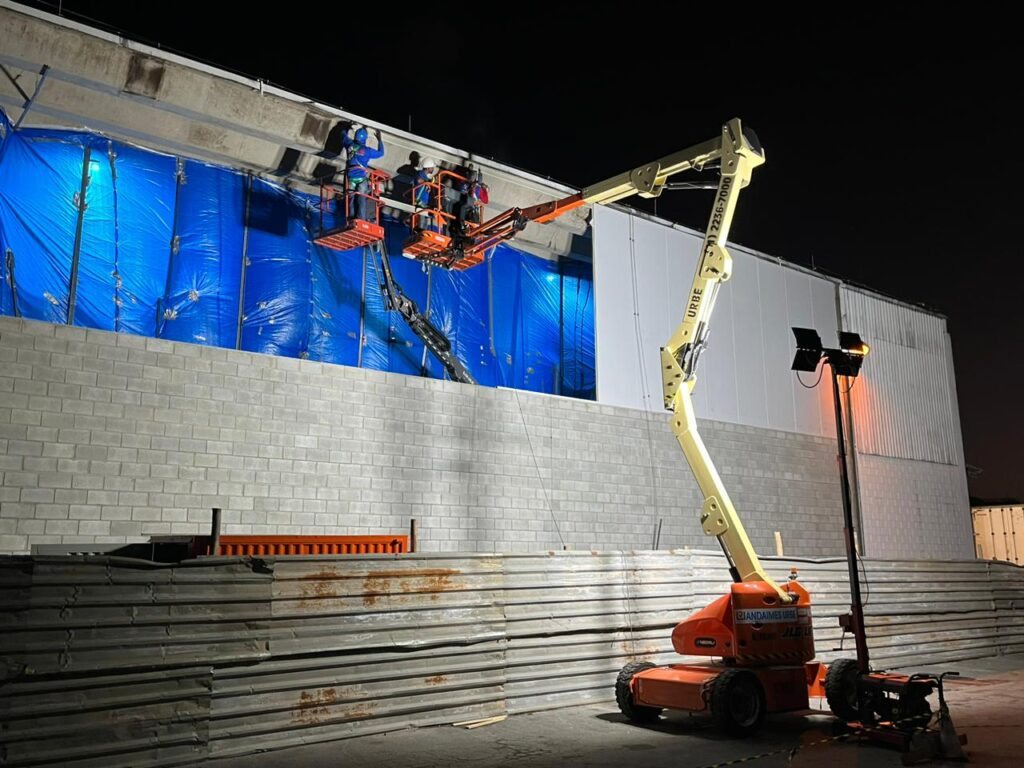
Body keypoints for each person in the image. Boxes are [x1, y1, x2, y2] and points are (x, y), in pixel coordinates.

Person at [341, 125, 384, 221]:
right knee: (361, 198)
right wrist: (379, 140)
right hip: (361, 178)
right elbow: (381, 153)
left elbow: (343, 135)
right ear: (365, 139)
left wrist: (347, 127)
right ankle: (360, 219)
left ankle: (351, 218)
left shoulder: (349, 145)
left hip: (350, 178)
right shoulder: (367, 151)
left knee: (351, 199)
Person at [412, 157, 439, 231]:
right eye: (432, 167)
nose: (433, 169)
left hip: (424, 202)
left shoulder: (425, 177)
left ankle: (423, 231)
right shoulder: (421, 174)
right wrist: (426, 183)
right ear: (427, 168)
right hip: (420, 201)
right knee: (422, 218)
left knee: (426, 219)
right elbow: (418, 180)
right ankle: (420, 231)